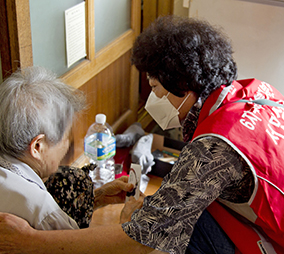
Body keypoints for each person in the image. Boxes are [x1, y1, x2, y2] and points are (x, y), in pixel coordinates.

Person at [0, 15, 283, 254]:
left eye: (157, 89)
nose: (153, 99)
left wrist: (31, 242)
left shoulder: (213, 150)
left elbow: (141, 241)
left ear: (183, 84)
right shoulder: (258, 92)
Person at [0, 66, 135, 230]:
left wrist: (97, 197)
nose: (67, 144)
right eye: (65, 137)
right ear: (38, 146)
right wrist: (128, 226)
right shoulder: (43, 212)